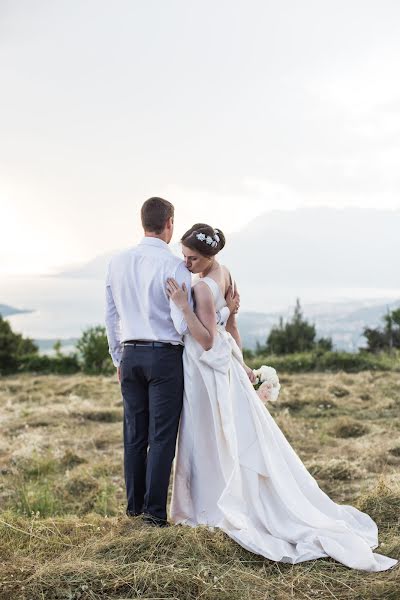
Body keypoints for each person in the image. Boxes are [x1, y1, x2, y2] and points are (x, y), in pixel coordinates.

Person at [166, 223, 398, 572]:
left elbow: (208, 340)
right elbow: (229, 330)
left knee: (209, 434)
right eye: (184, 256)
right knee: (231, 435)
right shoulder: (225, 273)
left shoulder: (199, 289)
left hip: (204, 371)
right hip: (227, 369)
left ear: (208, 254)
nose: (186, 264)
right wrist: (243, 368)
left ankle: (211, 503)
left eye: (192, 257)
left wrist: (183, 307)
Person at [105, 200, 238, 527]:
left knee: (134, 436)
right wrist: (224, 313)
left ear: (142, 222)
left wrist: (118, 357)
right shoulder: (174, 265)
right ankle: (153, 514)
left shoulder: (117, 261)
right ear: (169, 223)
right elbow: (184, 326)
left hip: (130, 354)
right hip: (164, 358)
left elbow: (110, 315)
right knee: (162, 436)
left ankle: (134, 510)